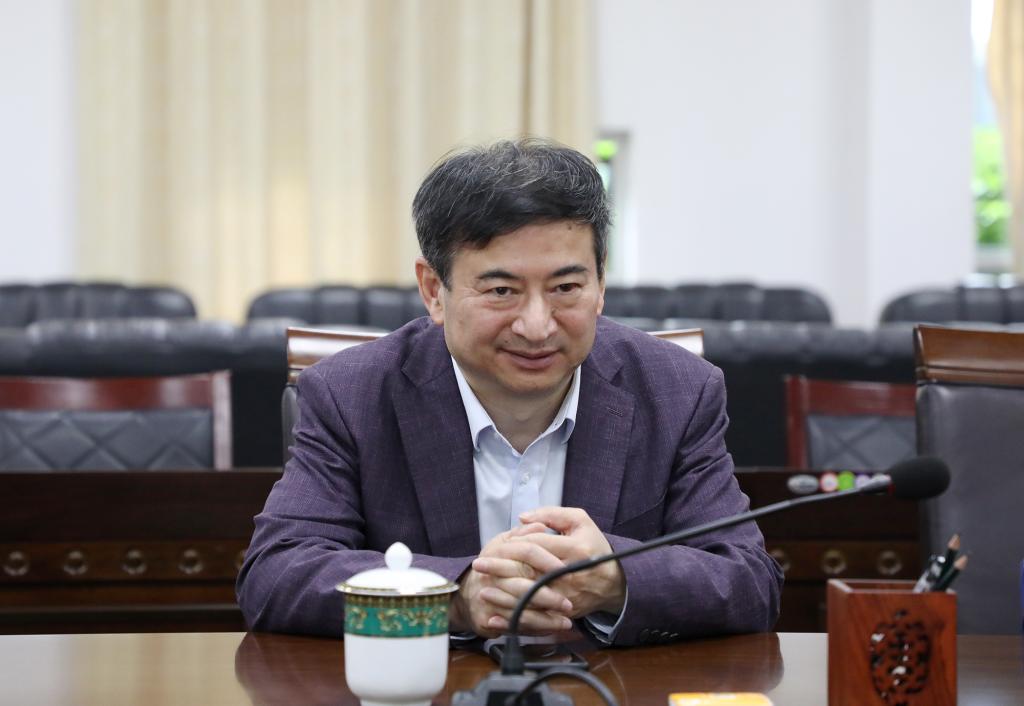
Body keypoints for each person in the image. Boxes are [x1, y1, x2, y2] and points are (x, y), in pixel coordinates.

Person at [236, 138, 783, 645]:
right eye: (502, 291)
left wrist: (616, 577)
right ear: (434, 290)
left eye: (566, 287)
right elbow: (276, 574)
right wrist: (455, 596)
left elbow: (748, 580)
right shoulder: (351, 394)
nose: (537, 326)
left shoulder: (677, 391)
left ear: (600, 283)